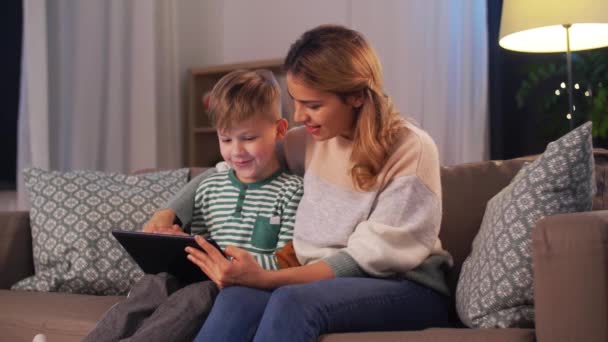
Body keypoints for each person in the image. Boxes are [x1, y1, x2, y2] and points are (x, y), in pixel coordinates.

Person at [164, 24, 452, 341]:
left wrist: (266, 279)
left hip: (406, 286)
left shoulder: (411, 148)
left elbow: (364, 259)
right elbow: (234, 165)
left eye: (313, 105)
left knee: (292, 301)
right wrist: (170, 212)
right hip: (323, 282)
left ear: (356, 95)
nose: (299, 116)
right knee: (237, 298)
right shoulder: (306, 141)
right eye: (295, 101)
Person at [83, 69, 304, 342]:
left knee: (198, 294)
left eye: (249, 138)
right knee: (154, 283)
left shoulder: (291, 191)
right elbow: (181, 231)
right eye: (226, 139)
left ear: (279, 130)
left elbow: (286, 263)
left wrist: (232, 266)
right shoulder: (209, 184)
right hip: (193, 276)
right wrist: (174, 240)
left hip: (234, 286)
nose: (237, 151)